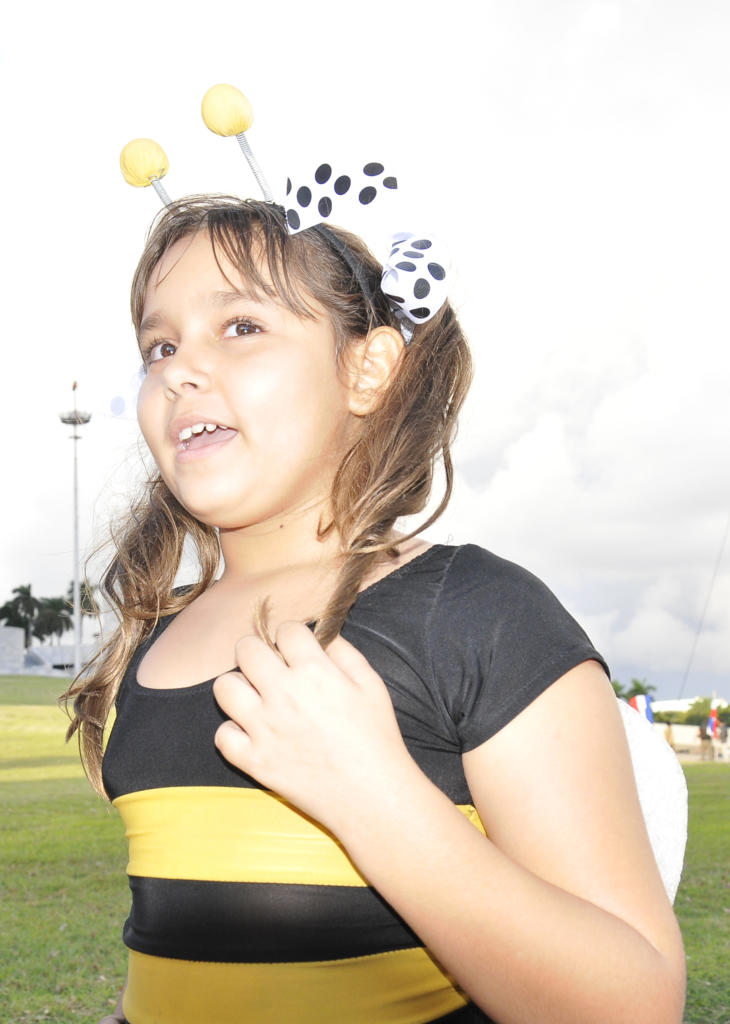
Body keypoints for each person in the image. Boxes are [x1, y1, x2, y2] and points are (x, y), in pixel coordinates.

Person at [63, 194, 685, 1024]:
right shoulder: (156, 639)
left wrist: (371, 795)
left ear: (366, 369)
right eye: (160, 345)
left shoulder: (476, 616)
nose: (178, 369)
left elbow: (635, 1003)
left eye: (241, 326)